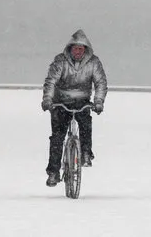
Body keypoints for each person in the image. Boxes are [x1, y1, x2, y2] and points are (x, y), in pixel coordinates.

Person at [41, 29, 108, 187]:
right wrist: (48, 99)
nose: (78, 52)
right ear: (70, 48)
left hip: (82, 101)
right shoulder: (60, 61)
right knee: (57, 137)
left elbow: (100, 83)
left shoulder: (93, 63)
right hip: (61, 102)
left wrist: (98, 102)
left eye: (81, 49)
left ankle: (85, 153)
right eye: (75, 48)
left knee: (85, 125)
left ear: (86, 50)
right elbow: (51, 81)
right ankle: (53, 172)